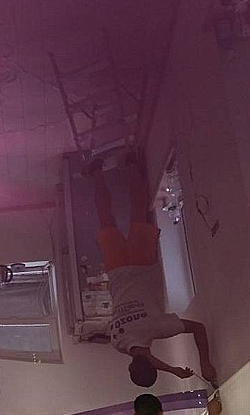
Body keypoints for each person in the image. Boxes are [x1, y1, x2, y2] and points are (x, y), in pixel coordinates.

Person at [90, 152, 217, 387]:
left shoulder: (158, 327)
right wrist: (173, 370)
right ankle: (96, 172)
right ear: (130, 367)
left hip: (142, 265)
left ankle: (131, 164)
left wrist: (205, 363)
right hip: (116, 269)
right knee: (105, 219)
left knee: (138, 211)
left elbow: (198, 328)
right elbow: (144, 358)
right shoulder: (117, 342)